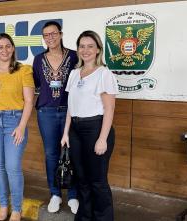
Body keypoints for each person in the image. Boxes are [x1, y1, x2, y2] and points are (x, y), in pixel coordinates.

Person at [61, 30, 119, 221]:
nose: (85, 50)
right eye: (82, 46)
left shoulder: (104, 74)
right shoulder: (74, 73)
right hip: (75, 130)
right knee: (82, 179)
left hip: (96, 129)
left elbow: (109, 109)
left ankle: (103, 218)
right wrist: (66, 133)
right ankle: (85, 217)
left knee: (97, 181)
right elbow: (71, 106)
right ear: (78, 49)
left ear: (98, 50)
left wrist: (102, 139)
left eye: (90, 46)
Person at [0, 33, 34, 221]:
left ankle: (16, 209)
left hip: (14, 121)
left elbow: (29, 101)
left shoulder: (23, 70)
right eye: (0, 47)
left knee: (12, 166)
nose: (4, 50)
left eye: (8, 46)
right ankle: (4, 205)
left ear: (13, 49)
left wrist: (21, 127)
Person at [33, 20, 79, 214]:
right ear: (43, 38)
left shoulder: (75, 56)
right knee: (52, 154)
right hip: (47, 113)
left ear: (60, 34)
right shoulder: (38, 59)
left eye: (53, 33)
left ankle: (74, 195)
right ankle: (55, 194)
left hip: (71, 111)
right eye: (46, 35)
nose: (50, 38)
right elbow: (37, 83)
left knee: (72, 153)